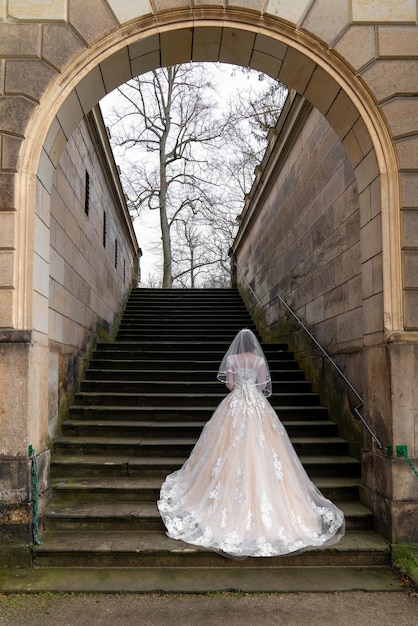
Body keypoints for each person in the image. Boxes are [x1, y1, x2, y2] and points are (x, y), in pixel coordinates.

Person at [157, 328, 345, 558]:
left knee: (226, 446)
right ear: (253, 345)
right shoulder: (257, 360)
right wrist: (251, 388)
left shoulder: (233, 359)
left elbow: (228, 384)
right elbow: (263, 385)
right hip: (257, 406)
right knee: (268, 447)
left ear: (238, 345)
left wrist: (239, 386)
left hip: (235, 404)